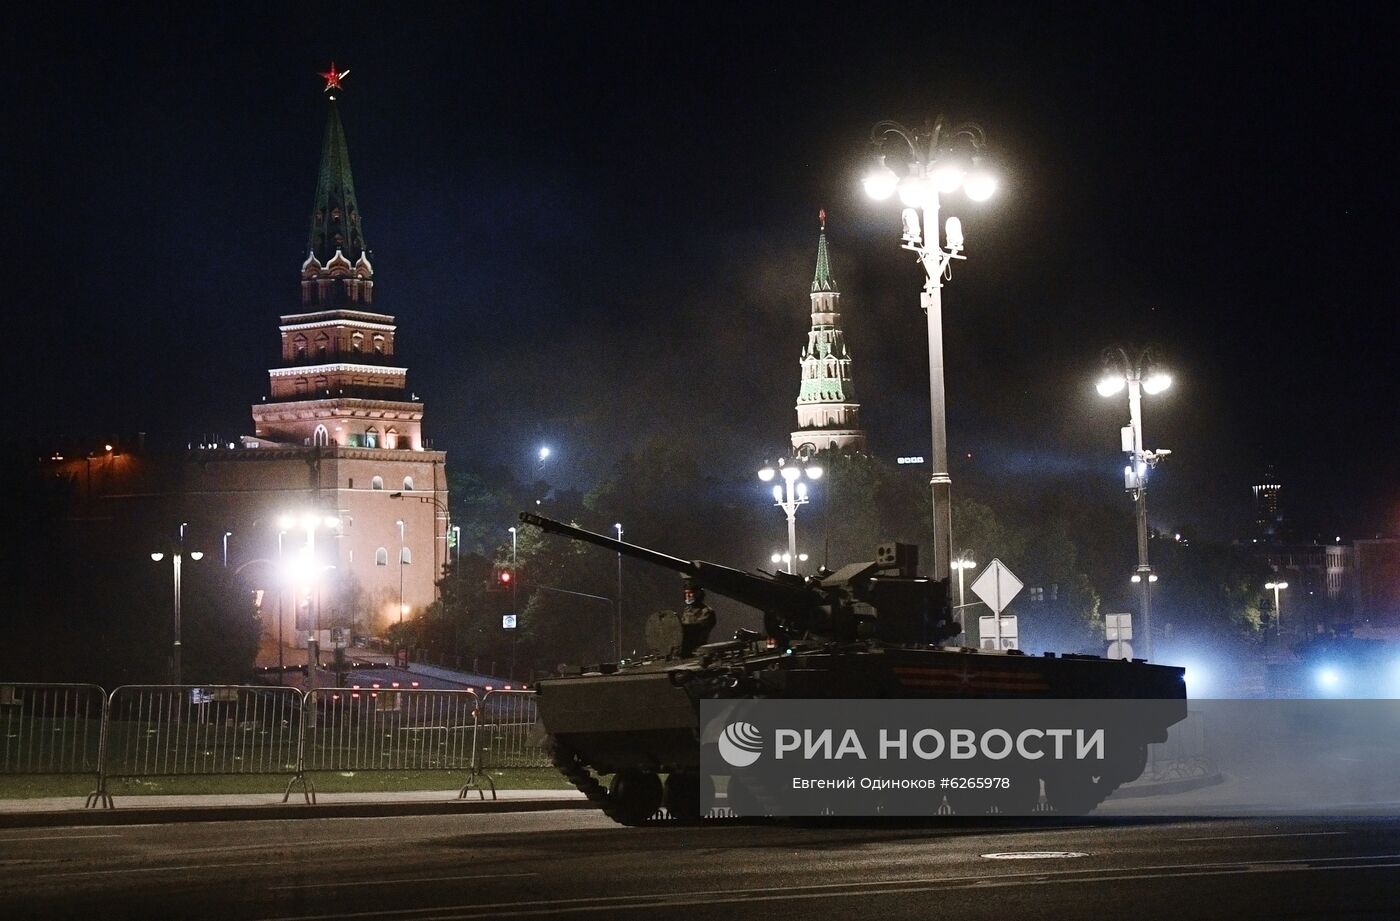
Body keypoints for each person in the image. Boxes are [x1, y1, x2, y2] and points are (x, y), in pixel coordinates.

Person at [678, 578, 716, 655]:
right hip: (684, 648)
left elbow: (698, 630)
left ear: (698, 594)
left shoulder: (706, 611)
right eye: (686, 593)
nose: (688, 596)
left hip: (699, 649)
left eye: (690, 593)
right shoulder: (687, 611)